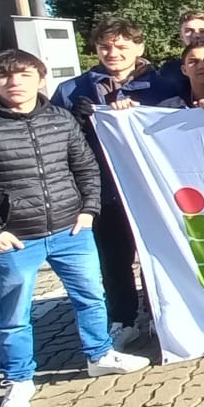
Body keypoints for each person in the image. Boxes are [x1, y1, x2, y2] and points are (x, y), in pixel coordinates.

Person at [0, 50, 151, 407]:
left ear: (40, 79)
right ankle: (19, 380)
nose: (14, 82)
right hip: (14, 237)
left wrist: (88, 209)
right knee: (14, 314)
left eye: (24, 75)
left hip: (71, 229)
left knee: (91, 297)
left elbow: (86, 167)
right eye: (5, 76)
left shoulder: (59, 118)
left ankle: (100, 355)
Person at [53, 19, 179, 348]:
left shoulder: (163, 86)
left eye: (122, 47)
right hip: (102, 190)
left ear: (139, 48)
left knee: (158, 255)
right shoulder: (71, 90)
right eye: (105, 47)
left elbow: (177, 130)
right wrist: (73, 121)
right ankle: (123, 319)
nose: (113, 53)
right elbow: (51, 138)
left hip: (151, 188)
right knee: (113, 260)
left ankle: (159, 315)